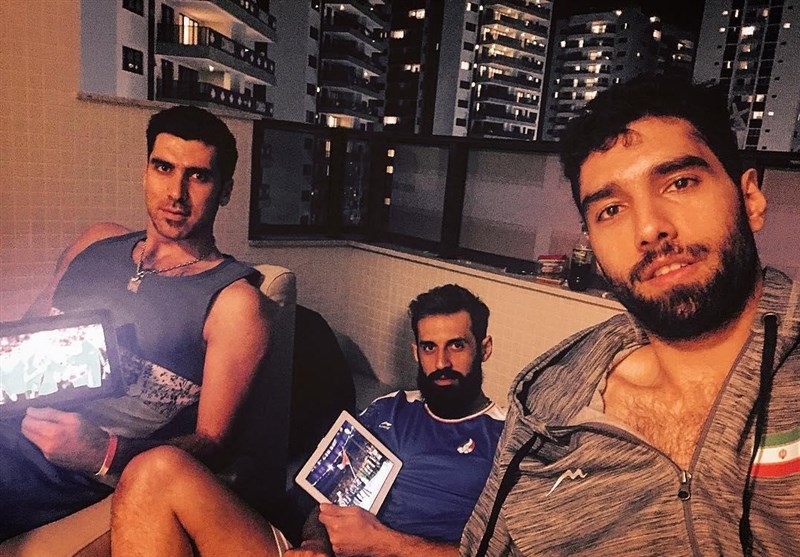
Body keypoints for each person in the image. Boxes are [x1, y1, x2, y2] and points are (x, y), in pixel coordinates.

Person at [461, 75, 800, 557]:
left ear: (750, 200)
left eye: (680, 183)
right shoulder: (548, 396)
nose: (649, 228)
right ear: (594, 251)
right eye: (611, 210)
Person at [0, 105, 270, 541]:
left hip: (63, 472)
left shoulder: (235, 303)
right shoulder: (96, 242)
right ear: (145, 172)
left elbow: (213, 444)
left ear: (225, 191)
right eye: (163, 168)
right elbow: (25, 330)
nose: (176, 193)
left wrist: (102, 450)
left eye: (198, 176)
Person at [110, 284, 506, 557]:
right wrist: (316, 543)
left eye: (457, 345)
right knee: (155, 470)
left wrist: (385, 543)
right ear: (415, 351)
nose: (442, 362)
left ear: (484, 348)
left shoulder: (508, 438)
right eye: (429, 347)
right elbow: (323, 499)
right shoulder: (389, 410)